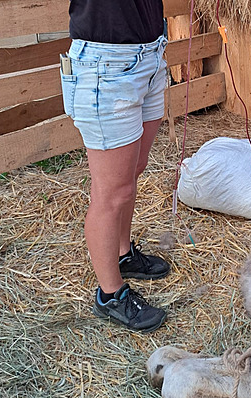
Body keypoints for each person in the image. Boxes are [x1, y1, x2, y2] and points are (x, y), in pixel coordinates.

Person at [60, 1, 171, 332]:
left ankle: (123, 253)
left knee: (134, 169)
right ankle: (110, 293)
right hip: (106, 62)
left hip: (149, 53)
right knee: (112, 192)